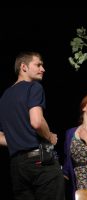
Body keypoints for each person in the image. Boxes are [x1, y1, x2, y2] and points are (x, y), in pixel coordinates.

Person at [0, 51, 65, 200]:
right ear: (23, 67)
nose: (43, 69)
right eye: (38, 65)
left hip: (17, 167)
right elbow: (36, 122)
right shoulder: (33, 87)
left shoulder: (4, 98)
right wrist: (49, 136)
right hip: (40, 162)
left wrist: (19, 140)